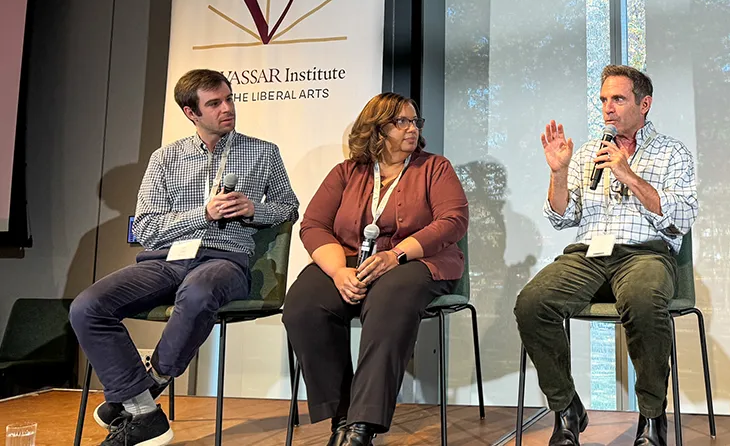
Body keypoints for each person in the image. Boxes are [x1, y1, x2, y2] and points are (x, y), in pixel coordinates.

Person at [69, 69, 300, 445]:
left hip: (225, 259)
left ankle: (145, 388)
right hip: (165, 261)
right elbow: (146, 228)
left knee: (198, 293)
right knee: (87, 307)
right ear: (191, 113)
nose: (227, 108)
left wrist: (253, 209)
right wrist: (202, 214)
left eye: (229, 99)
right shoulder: (165, 158)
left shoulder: (263, 152)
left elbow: (288, 207)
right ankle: (144, 411)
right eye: (215, 103)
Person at [514, 65, 698, 446]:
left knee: (643, 300)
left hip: (644, 255)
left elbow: (682, 218)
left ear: (644, 104)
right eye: (603, 100)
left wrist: (628, 175)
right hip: (589, 255)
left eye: (618, 99)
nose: (608, 108)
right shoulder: (587, 153)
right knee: (532, 303)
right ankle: (567, 409)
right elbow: (562, 217)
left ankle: (652, 417)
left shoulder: (672, 153)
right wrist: (559, 173)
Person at [282, 93, 468, 446]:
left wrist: (394, 256)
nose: (412, 129)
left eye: (415, 122)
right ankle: (341, 417)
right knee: (304, 306)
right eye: (402, 122)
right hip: (350, 260)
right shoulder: (346, 172)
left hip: (415, 261)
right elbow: (314, 225)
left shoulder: (435, 168)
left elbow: (453, 221)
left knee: (389, 298)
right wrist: (338, 271)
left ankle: (362, 427)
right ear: (377, 129)